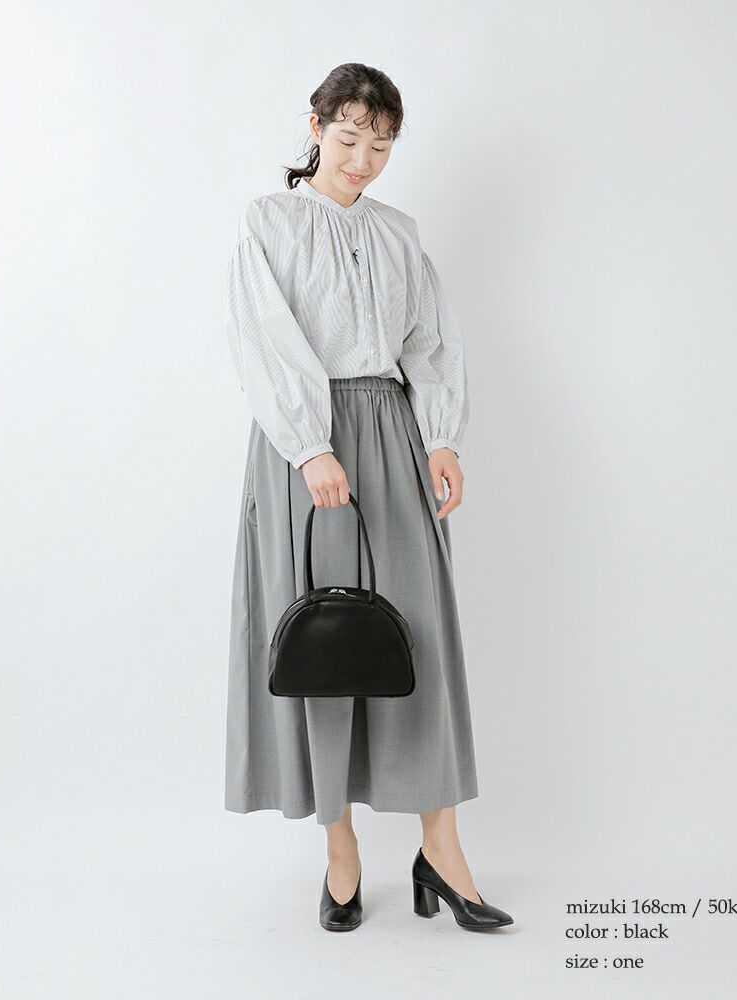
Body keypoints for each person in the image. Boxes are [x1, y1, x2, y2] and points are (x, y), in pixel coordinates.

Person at [223, 62, 513, 932]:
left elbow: (427, 340)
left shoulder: (397, 232)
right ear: (316, 128)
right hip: (305, 447)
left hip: (393, 433)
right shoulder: (269, 222)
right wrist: (311, 445)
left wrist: (443, 434)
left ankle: (441, 850)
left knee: (417, 634)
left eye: (381, 146)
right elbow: (263, 339)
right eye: (349, 139)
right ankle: (340, 851)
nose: (363, 161)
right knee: (324, 640)